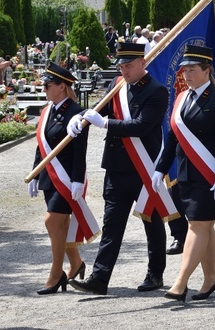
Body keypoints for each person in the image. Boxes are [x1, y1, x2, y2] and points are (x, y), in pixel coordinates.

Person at [66, 42, 171, 295]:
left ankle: (155, 274)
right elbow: (98, 109)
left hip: (144, 168)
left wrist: (103, 123)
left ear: (142, 63)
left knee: (152, 221)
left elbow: (141, 125)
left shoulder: (157, 92)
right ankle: (99, 278)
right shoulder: (117, 86)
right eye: (121, 66)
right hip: (116, 167)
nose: (124, 71)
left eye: (129, 66)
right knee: (112, 224)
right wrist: (78, 116)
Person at [151, 45, 215, 302]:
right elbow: (173, 138)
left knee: (198, 225)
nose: (186, 75)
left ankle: (180, 283)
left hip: (210, 177)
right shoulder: (181, 99)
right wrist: (160, 168)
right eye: (184, 70)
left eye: (192, 70)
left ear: (206, 71)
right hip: (187, 175)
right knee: (205, 227)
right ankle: (211, 279)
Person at [28, 62, 94, 294]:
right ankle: (76, 263)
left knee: (51, 221)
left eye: (47, 85)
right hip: (49, 177)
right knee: (60, 226)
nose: (44, 89)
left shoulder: (76, 113)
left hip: (67, 179)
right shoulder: (48, 111)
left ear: (62, 87)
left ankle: (56, 275)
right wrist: (36, 172)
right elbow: (41, 145)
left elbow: (80, 150)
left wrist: (77, 179)